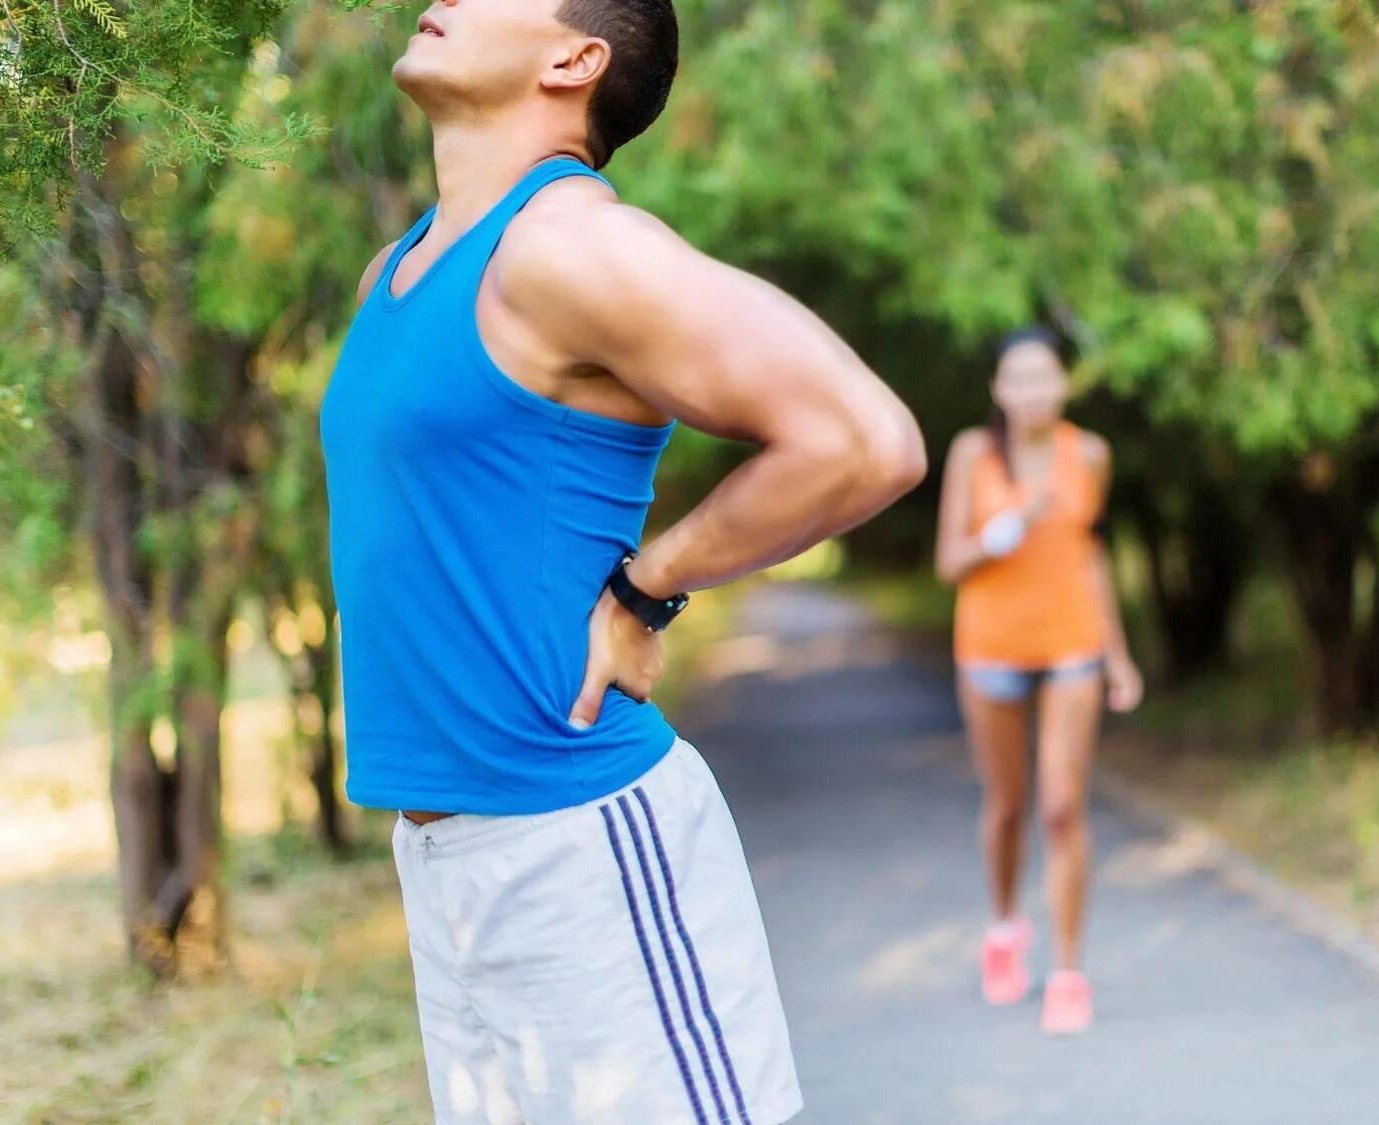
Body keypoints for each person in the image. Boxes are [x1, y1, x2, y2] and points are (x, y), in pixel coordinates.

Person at [319, 2, 926, 1121]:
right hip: (446, 858)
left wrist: (648, 588)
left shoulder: (568, 247)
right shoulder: (396, 272)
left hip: (577, 841)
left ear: (574, 59)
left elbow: (861, 441)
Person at [933, 327, 1144, 1035]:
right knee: (1007, 805)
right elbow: (949, 563)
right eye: (1017, 378)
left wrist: (1117, 655)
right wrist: (1006, 526)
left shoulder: (1089, 453)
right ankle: (1002, 928)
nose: (1032, 391)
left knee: (1061, 805)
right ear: (998, 389)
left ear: (1063, 384)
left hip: (1072, 644)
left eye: (1045, 376)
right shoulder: (972, 452)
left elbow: (1089, 554)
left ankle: (1068, 972)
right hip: (990, 646)